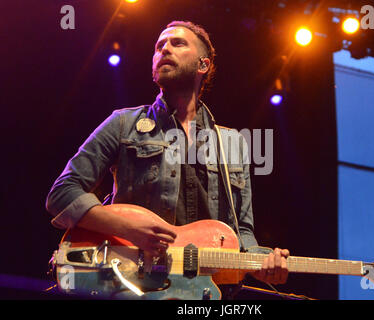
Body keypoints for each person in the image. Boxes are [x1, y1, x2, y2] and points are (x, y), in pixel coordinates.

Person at [46, 20, 290, 291]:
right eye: (159, 46)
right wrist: (130, 230)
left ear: (203, 65)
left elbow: (242, 232)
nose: (164, 50)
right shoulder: (123, 124)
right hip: (131, 283)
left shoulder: (232, 143)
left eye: (178, 43)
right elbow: (62, 193)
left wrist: (264, 264)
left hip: (202, 291)